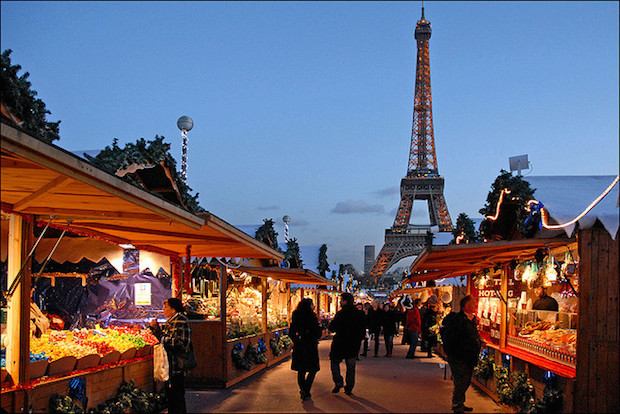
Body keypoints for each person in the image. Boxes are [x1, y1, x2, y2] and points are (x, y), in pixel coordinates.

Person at [149, 298, 192, 414]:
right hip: (170, 366)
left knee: (176, 397)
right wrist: (155, 328)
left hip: (176, 366)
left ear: (173, 310)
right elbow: (163, 333)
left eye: (165, 307)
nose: (163, 310)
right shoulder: (171, 321)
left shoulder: (180, 321)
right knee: (172, 397)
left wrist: (161, 337)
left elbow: (182, 343)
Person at [444, 295, 482, 413]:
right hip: (459, 356)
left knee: (465, 381)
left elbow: (472, 335)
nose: (476, 305)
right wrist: (452, 353)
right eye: (473, 303)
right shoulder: (459, 320)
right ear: (466, 306)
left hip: (468, 357)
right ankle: (457, 404)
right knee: (462, 381)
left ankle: (460, 402)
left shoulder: (470, 320)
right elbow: (454, 338)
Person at [328, 293, 366, 396]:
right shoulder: (359, 314)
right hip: (353, 344)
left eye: (341, 300)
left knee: (334, 362)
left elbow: (332, 327)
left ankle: (338, 381)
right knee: (351, 366)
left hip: (340, 342)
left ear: (345, 301)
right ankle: (349, 387)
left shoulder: (341, 314)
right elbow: (364, 328)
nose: (340, 302)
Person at [289, 298, 322, 401]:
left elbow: (291, 332)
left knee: (301, 369)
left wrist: (297, 340)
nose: (314, 306)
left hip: (300, 346)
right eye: (312, 304)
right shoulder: (312, 317)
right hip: (310, 345)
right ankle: (306, 389)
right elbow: (317, 333)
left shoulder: (296, 315)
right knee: (313, 369)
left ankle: (304, 389)